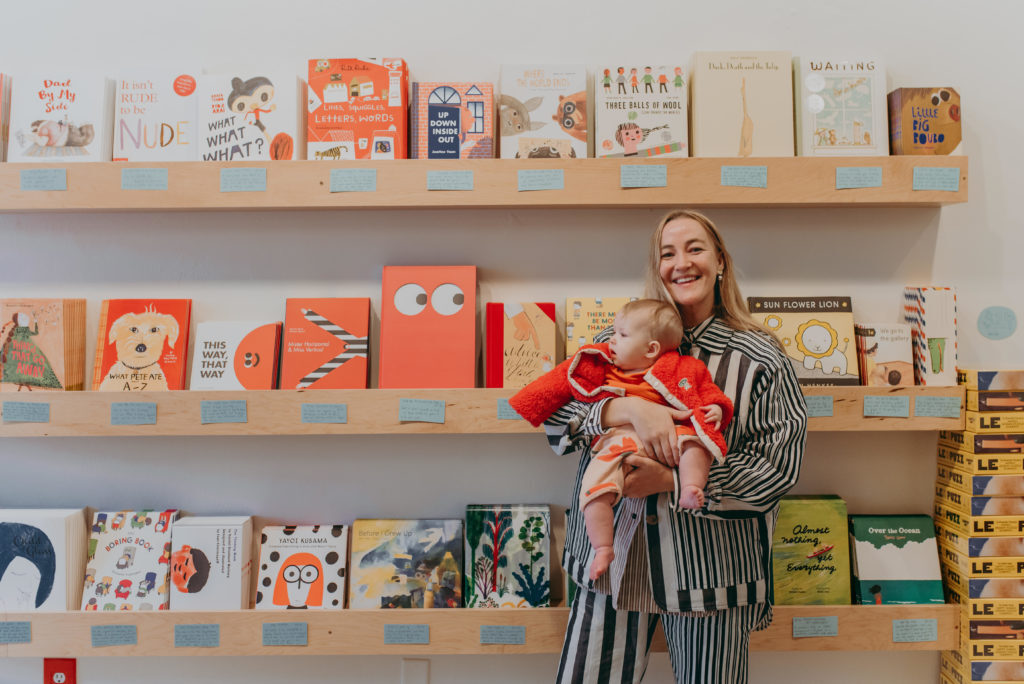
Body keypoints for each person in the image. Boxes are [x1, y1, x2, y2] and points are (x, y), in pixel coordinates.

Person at [546, 209, 807, 684]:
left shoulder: (761, 356)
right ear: (656, 266)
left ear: (720, 260)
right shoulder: (616, 340)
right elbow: (555, 417)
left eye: (695, 248)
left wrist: (670, 480)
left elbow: (778, 467)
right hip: (611, 564)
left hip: (711, 571)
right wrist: (622, 410)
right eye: (668, 253)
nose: (681, 263)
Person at [510, 299, 733, 581]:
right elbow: (560, 393)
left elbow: (707, 392)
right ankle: (603, 547)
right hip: (618, 442)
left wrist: (718, 408)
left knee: (697, 444)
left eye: (622, 335)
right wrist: (623, 409)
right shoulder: (601, 364)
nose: (611, 340)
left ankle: (689, 486)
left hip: (673, 434)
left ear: (651, 349)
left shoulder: (684, 368)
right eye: (615, 333)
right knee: (594, 489)